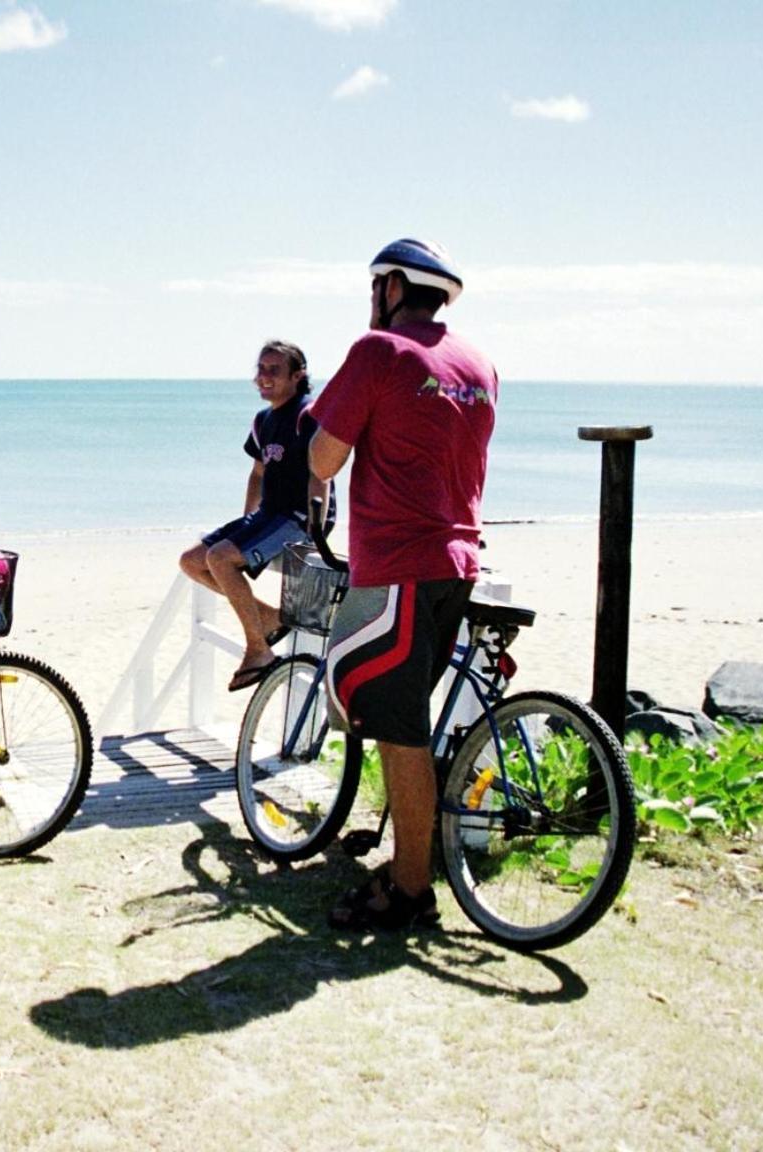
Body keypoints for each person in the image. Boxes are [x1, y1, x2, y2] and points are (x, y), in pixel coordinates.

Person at [306, 238, 497, 932]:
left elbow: (325, 455)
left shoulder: (377, 351)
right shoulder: (478, 364)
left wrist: (317, 461)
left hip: (399, 564)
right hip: (458, 562)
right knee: (404, 710)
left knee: (396, 724)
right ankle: (408, 859)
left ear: (389, 288)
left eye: (373, 288)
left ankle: (411, 888)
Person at [180, 340, 332, 693]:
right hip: (267, 515)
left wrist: (317, 525)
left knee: (220, 559)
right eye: (260, 369)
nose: (263, 377)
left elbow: (321, 471)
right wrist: (246, 521)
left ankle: (258, 649)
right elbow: (259, 474)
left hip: (297, 516)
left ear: (298, 375)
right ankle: (266, 616)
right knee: (191, 561)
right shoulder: (263, 421)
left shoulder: (308, 416)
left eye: (274, 370)